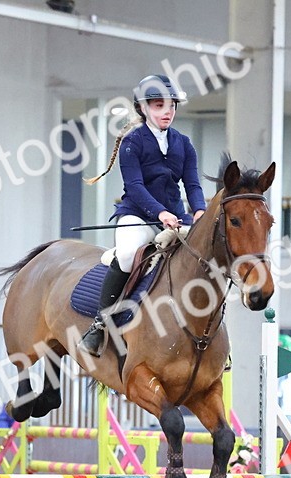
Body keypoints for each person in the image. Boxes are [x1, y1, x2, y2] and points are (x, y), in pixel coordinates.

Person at [79, 74, 207, 356]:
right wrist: (160, 213)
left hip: (175, 216)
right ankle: (100, 325)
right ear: (143, 109)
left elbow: (193, 184)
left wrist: (199, 210)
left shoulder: (184, 143)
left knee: (203, 256)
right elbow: (134, 187)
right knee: (126, 255)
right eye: (159, 106)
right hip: (138, 216)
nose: (167, 112)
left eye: (171, 106)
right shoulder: (131, 142)